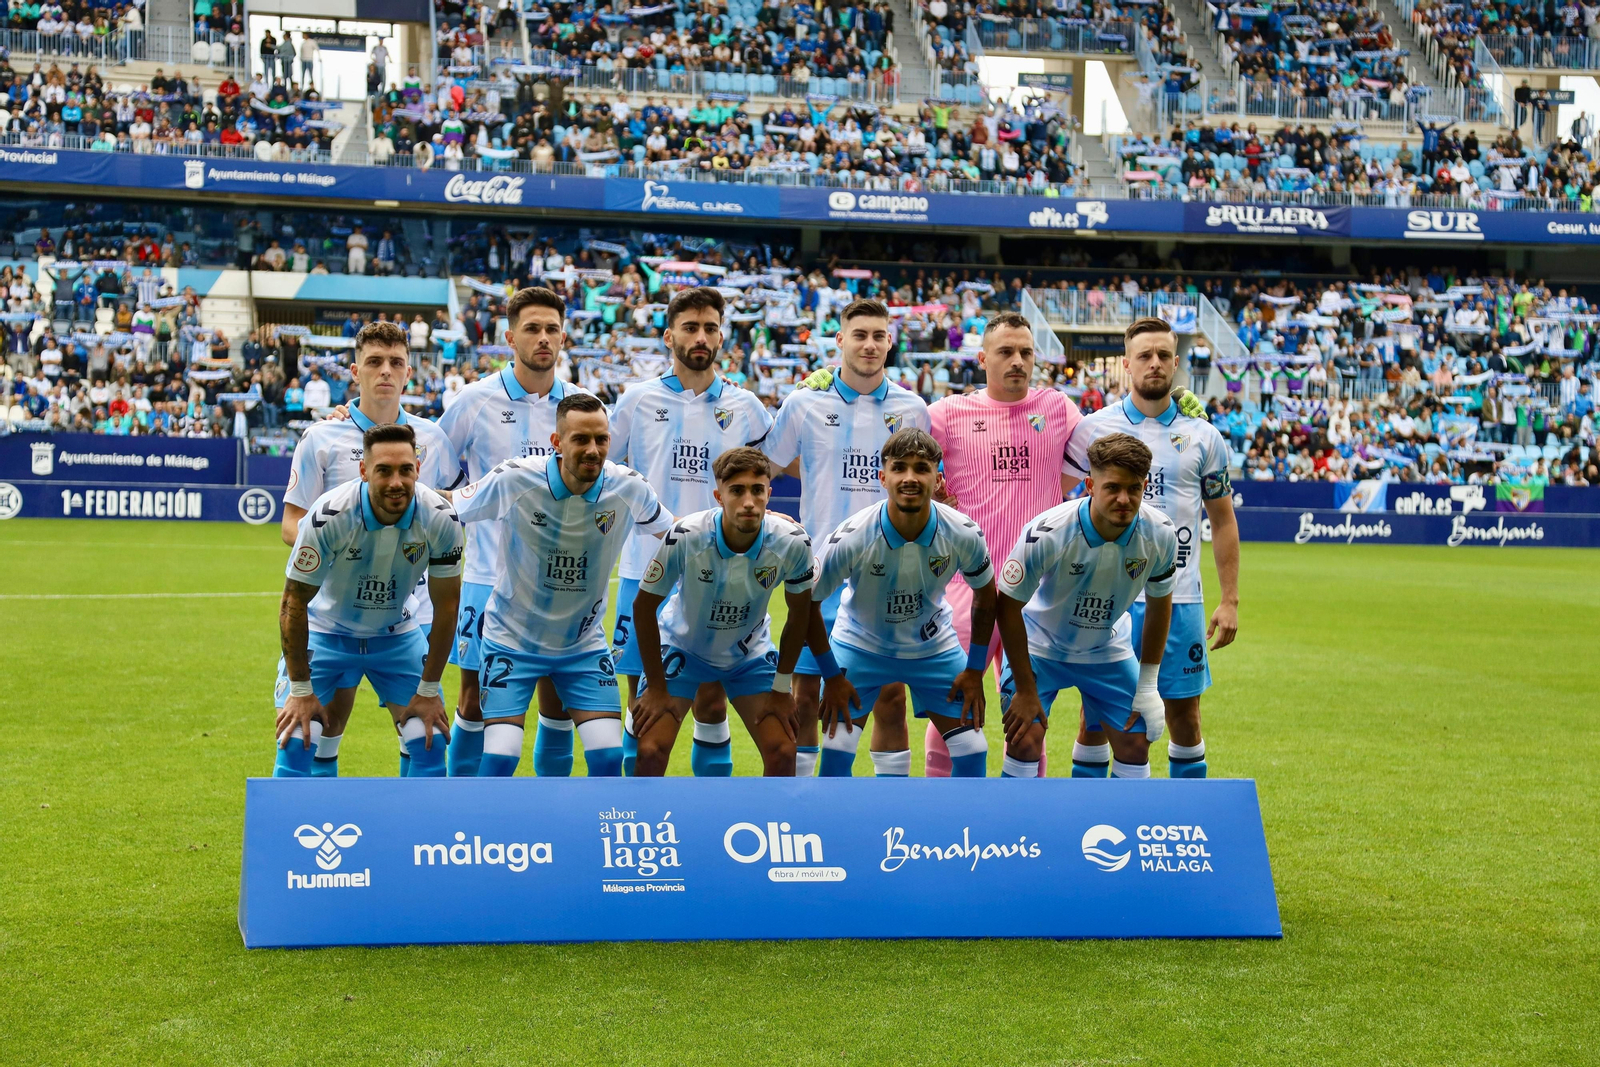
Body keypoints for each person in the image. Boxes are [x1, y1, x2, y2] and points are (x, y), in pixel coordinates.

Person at [451, 393, 672, 777]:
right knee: (501, 757)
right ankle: (474, 816)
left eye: (601, 439)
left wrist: (748, 523)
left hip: (581, 645)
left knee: (608, 757)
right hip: (512, 641)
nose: (593, 450)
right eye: (581, 439)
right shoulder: (515, 477)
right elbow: (449, 508)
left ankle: (586, 818)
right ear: (556, 442)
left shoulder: (629, 487)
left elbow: (678, 533)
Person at [1063, 318, 1239, 778]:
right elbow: (1056, 499)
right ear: (1127, 364)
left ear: (1176, 363)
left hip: (1180, 598)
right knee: (1096, 719)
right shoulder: (1093, 428)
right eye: (1144, 355)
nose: (1154, 363)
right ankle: (1093, 812)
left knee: (1186, 718)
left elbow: (1222, 521)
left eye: (1163, 355)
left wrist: (1230, 599)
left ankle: (1185, 816)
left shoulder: (1204, 435)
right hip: (1107, 598)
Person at [279, 322, 458, 773]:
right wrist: (349, 548)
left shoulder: (433, 438)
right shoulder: (322, 436)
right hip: (332, 607)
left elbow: (447, 510)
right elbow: (292, 525)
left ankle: (414, 816)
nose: (385, 372)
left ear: (409, 372)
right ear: (355, 371)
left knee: (422, 734)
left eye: (396, 362)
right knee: (324, 728)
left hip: (409, 609)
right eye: (374, 362)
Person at [763, 298, 931, 777]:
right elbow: (766, 468)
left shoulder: (912, 408)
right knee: (806, 693)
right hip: (819, 570)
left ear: (890, 342)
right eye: (859, 335)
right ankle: (803, 801)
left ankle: (884, 802)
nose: (869, 345)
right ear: (840, 340)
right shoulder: (804, 403)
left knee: (890, 697)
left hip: (890, 575)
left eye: (878, 336)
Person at [609, 287, 772, 776]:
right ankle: (632, 812)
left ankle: (710, 807)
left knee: (712, 702)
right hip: (645, 569)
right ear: (668, 336)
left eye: (710, 328)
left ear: (722, 337)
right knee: (642, 703)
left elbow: (773, 470)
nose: (701, 337)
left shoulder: (747, 406)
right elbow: (603, 470)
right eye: (690, 328)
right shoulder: (637, 400)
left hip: (721, 573)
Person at [434, 286, 593, 778]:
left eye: (551, 329)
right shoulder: (474, 401)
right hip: (487, 577)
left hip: (561, 584)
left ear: (563, 337)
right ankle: (463, 806)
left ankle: (550, 808)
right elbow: (436, 479)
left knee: (557, 702)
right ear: (509, 337)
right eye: (532, 328)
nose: (543, 338)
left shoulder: (583, 405)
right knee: (474, 700)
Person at [916, 311, 1082, 777]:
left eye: (1026, 352)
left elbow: (1107, 442)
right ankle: (945, 812)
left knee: (1028, 723)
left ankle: (1020, 813)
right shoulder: (947, 413)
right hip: (966, 587)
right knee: (953, 713)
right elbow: (897, 458)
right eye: (1006, 352)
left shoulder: (1057, 408)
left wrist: (1177, 406)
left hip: (1036, 593)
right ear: (982, 358)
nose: (1017, 361)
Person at [628, 447, 843, 777]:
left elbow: (799, 615)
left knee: (784, 752)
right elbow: (643, 607)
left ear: (769, 494)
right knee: (650, 752)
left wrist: (781, 688)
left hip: (748, 656)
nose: (749, 502)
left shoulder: (793, 541)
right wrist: (656, 687)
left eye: (757, 490)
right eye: (737, 491)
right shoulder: (686, 536)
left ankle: (768, 815)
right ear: (719, 496)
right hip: (682, 649)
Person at [812, 429, 996, 777]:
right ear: (883, 477)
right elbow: (808, 602)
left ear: (938, 478)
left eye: (921, 468)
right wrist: (831, 675)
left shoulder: (963, 531)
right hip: (860, 645)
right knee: (836, 750)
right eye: (899, 468)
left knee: (973, 749)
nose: (910, 478)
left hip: (933, 648)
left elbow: (986, 595)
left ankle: (958, 817)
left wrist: (974, 670)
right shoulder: (852, 535)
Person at [996, 433, 1177, 780]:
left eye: (1134, 489)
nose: (1124, 499)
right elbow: (1006, 606)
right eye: (1113, 488)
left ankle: (1112, 816)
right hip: (1039, 648)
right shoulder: (1047, 532)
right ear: (1090, 486)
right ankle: (1018, 816)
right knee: (1024, 739)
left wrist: (1148, 686)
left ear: (1145, 486)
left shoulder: (1160, 534)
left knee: (1136, 744)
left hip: (1106, 649)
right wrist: (1025, 688)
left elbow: (1159, 605)